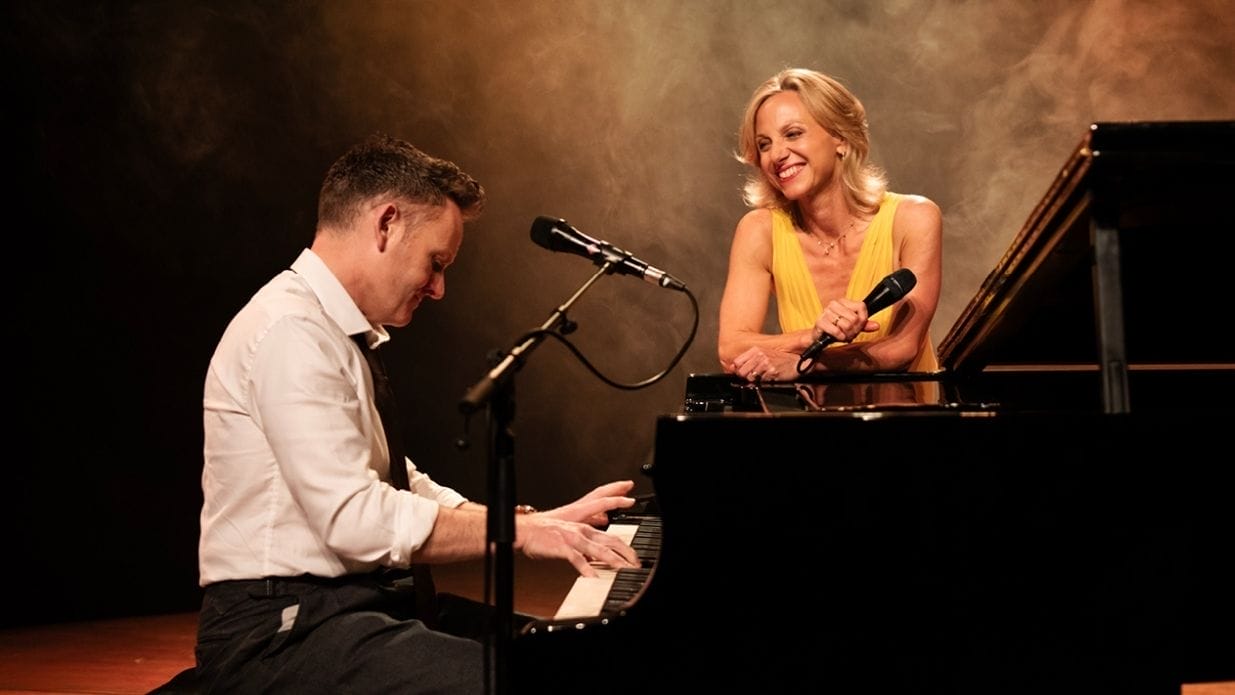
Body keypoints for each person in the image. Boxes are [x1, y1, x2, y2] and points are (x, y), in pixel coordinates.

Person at [179, 133, 640, 694]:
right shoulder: (290, 330)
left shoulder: (330, 329)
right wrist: (515, 532)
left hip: (353, 609)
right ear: (387, 223)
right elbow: (354, 516)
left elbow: (398, 481)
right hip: (281, 631)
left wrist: (536, 519)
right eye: (436, 262)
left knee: (572, 661)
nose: (440, 288)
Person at [718, 68, 942, 383]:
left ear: (840, 138)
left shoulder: (915, 218)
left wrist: (803, 364)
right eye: (764, 144)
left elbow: (902, 348)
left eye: (793, 134)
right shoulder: (759, 230)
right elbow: (731, 347)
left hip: (911, 420)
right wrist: (810, 337)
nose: (777, 155)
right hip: (817, 423)